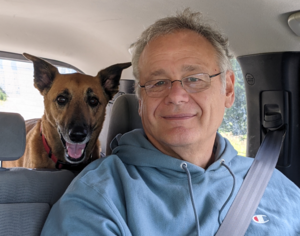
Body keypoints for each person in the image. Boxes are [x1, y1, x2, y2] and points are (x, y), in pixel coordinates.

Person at [41, 9, 300, 236]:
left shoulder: (275, 185)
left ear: (229, 90)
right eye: (158, 82)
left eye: (195, 78)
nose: (176, 96)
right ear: (140, 101)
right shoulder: (98, 197)